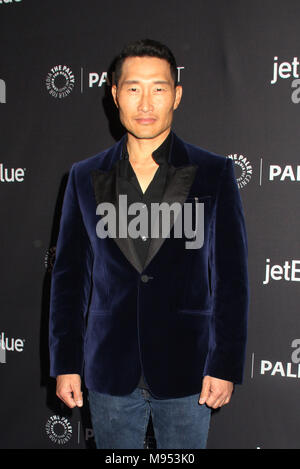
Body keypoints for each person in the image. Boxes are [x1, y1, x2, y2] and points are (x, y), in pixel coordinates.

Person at [49, 39, 249, 449]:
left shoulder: (214, 173)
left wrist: (225, 362)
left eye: (158, 88)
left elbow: (231, 279)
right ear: (115, 94)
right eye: (133, 88)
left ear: (176, 95)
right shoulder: (84, 177)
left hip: (189, 373)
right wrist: (66, 361)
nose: (145, 102)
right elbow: (69, 280)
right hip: (108, 370)